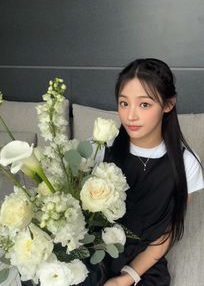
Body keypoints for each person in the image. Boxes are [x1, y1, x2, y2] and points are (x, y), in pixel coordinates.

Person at [83, 58, 204, 286]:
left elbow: (167, 234)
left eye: (144, 104)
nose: (131, 116)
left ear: (168, 104)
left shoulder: (187, 163)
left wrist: (125, 279)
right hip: (94, 258)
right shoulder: (100, 147)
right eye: (124, 103)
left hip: (142, 269)